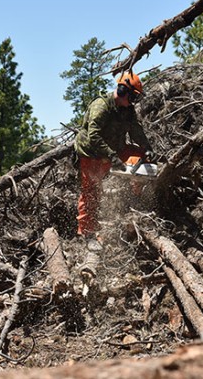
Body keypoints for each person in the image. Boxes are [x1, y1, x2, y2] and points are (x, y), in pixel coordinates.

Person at [73, 70, 155, 276]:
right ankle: (87, 232)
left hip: (113, 148)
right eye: (133, 96)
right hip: (91, 152)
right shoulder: (101, 106)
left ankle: (137, 199)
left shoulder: (127, 111)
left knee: (138, 156)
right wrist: (111, 156)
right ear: (122, 90)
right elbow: (93, 136)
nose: (134, 101)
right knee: (91, 190)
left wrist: (146, 146)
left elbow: (135, 129)